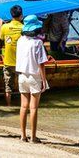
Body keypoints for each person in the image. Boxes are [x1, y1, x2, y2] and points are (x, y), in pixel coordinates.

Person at [16, 14, 49, 143]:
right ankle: (33, 137)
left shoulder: (20, 40)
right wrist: (44, 80)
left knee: (23, 106)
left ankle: (23, 135)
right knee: (33, 107)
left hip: (22, 75)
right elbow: (41, 64)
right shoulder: (38, 43)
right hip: (34, 76)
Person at [0, 5, 24, 106]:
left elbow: (1, 38)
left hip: (8, 62)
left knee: (8, 86)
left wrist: (0, 25)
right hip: (21, 63)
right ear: (21, 15)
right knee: (22, 86)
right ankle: (24, 105)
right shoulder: (23, 28)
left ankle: (9, 105)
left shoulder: (5, 27)